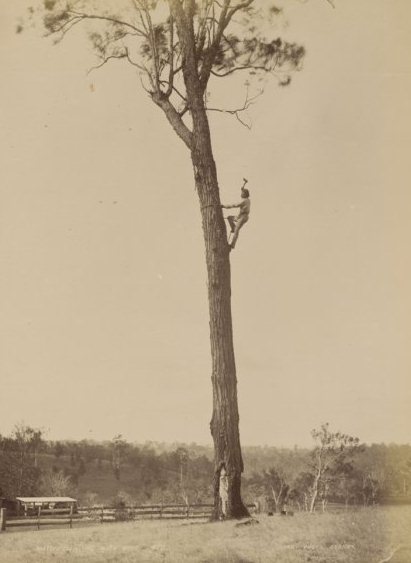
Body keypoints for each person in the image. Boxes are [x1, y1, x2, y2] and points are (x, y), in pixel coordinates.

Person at [221, 185, 250, 250]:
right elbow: (244, 193)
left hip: (243, 217)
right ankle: (233, 228)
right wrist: (242, 189)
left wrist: (224, 206)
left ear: (245, 194)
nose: (241, 194)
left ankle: (232, 245)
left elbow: (234, 205)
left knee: (237, 230)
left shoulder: (244, 201)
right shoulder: (247, 200)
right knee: (229, 218)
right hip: (241, 216)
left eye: (242, 193)